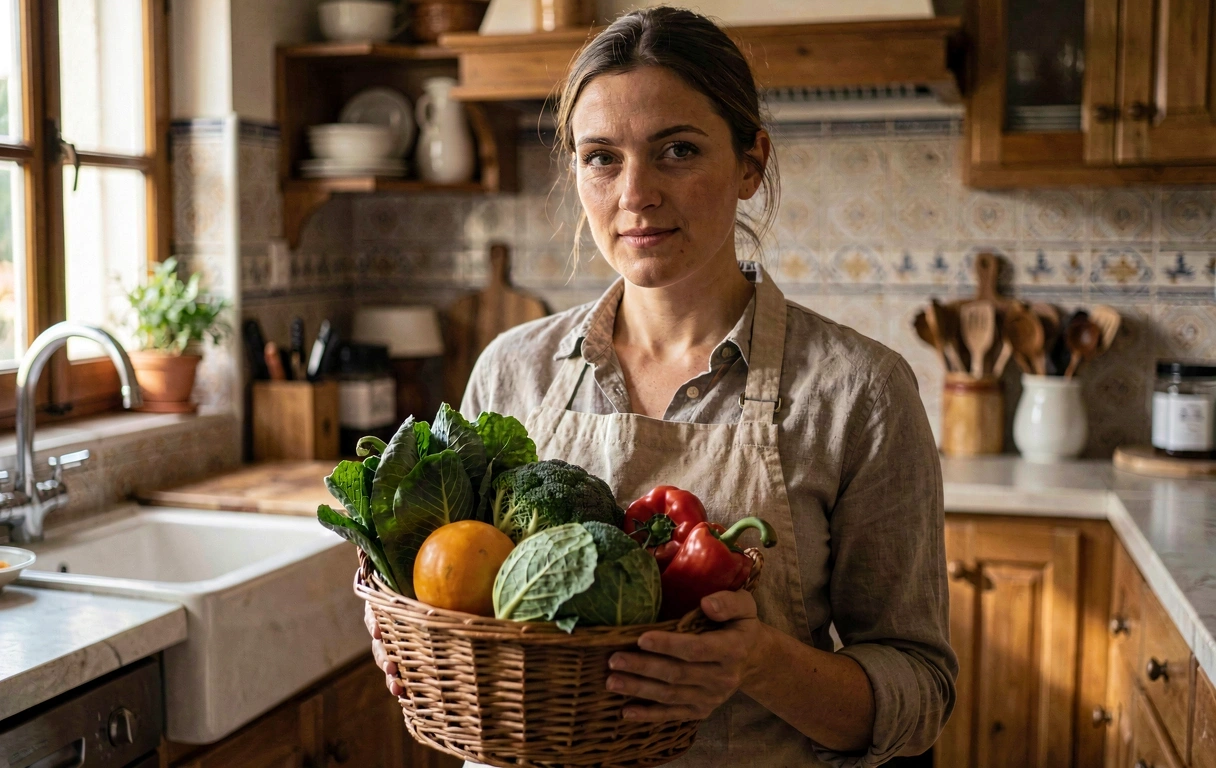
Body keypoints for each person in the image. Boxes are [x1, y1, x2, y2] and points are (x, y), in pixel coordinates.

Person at [368, 7, 957, 766]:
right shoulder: (512, 370)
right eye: (601, 158)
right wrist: (426, 653)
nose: (635, 193)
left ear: (752, 164)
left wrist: (761, 664)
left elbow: (919, 693)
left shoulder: (858, 393)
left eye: (677, 150)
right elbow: (454, 601)